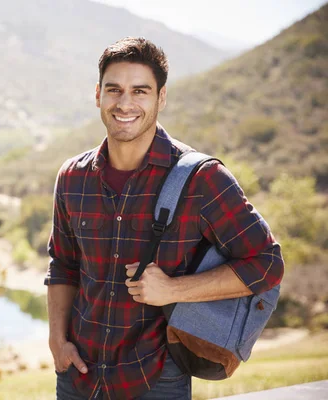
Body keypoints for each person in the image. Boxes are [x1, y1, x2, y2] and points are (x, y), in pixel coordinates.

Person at [44, 37, 284, 400]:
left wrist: (173, 290)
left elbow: (266, 264)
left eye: (140, 91)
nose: (125, 103)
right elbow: (63, 264)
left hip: (157, 378)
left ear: (162, 98)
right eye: (114, 90)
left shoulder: (202, 179)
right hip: (78, 376)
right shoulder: (72, 177)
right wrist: (57, 341)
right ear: (98, 95)